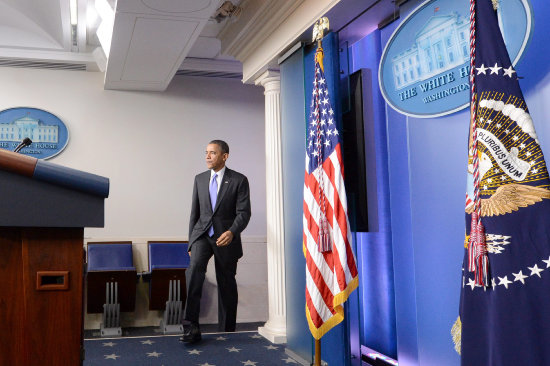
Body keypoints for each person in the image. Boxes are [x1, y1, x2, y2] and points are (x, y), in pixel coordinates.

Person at [181, 139, 251, 343]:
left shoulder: (239, 180)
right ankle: (190, 327)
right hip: (202, 236)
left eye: (212, 153)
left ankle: (227, 331)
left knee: (226, 283)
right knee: (194, 272)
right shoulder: (199, 179)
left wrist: (232, 232)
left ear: (224, 156)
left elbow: (244, 213)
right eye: (206, 152)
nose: (207, 156)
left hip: (226, 238)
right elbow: (194, 213)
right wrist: (190, 242)